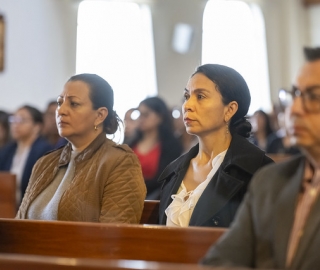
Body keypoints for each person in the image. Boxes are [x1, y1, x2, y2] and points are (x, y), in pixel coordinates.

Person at [201, 47, 320, 269]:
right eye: (294, 95)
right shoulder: (271, 181)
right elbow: (219, 261)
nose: (293, 110)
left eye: (313, 97)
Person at [16, 73, 146, 223]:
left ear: (100, 115)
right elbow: (19, 224)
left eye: (73, 104)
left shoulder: (120, 162)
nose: (61, 111)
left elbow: (114, 237)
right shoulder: (45, 163)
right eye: (60, 102)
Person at [158, 64, 273, 227]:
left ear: (230, 110)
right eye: (186, 96)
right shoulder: (174, 171)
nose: (187, 105)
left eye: (200, 97)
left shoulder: (258, 170)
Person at [129, 97, 183, 199]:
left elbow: (163, 178)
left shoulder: (171, 145)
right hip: (127, 194)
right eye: (139, 114)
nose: (141, 119)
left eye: (146, 115)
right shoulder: (131, 143)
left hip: (154, 197)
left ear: (159, 117)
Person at [0, 105, 53, 206]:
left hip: (32, 209)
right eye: (13, 119)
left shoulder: (45, 151)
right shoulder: (7, 150)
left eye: (22, 120)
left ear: (37, 127)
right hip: (7, 208)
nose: (16, 124)